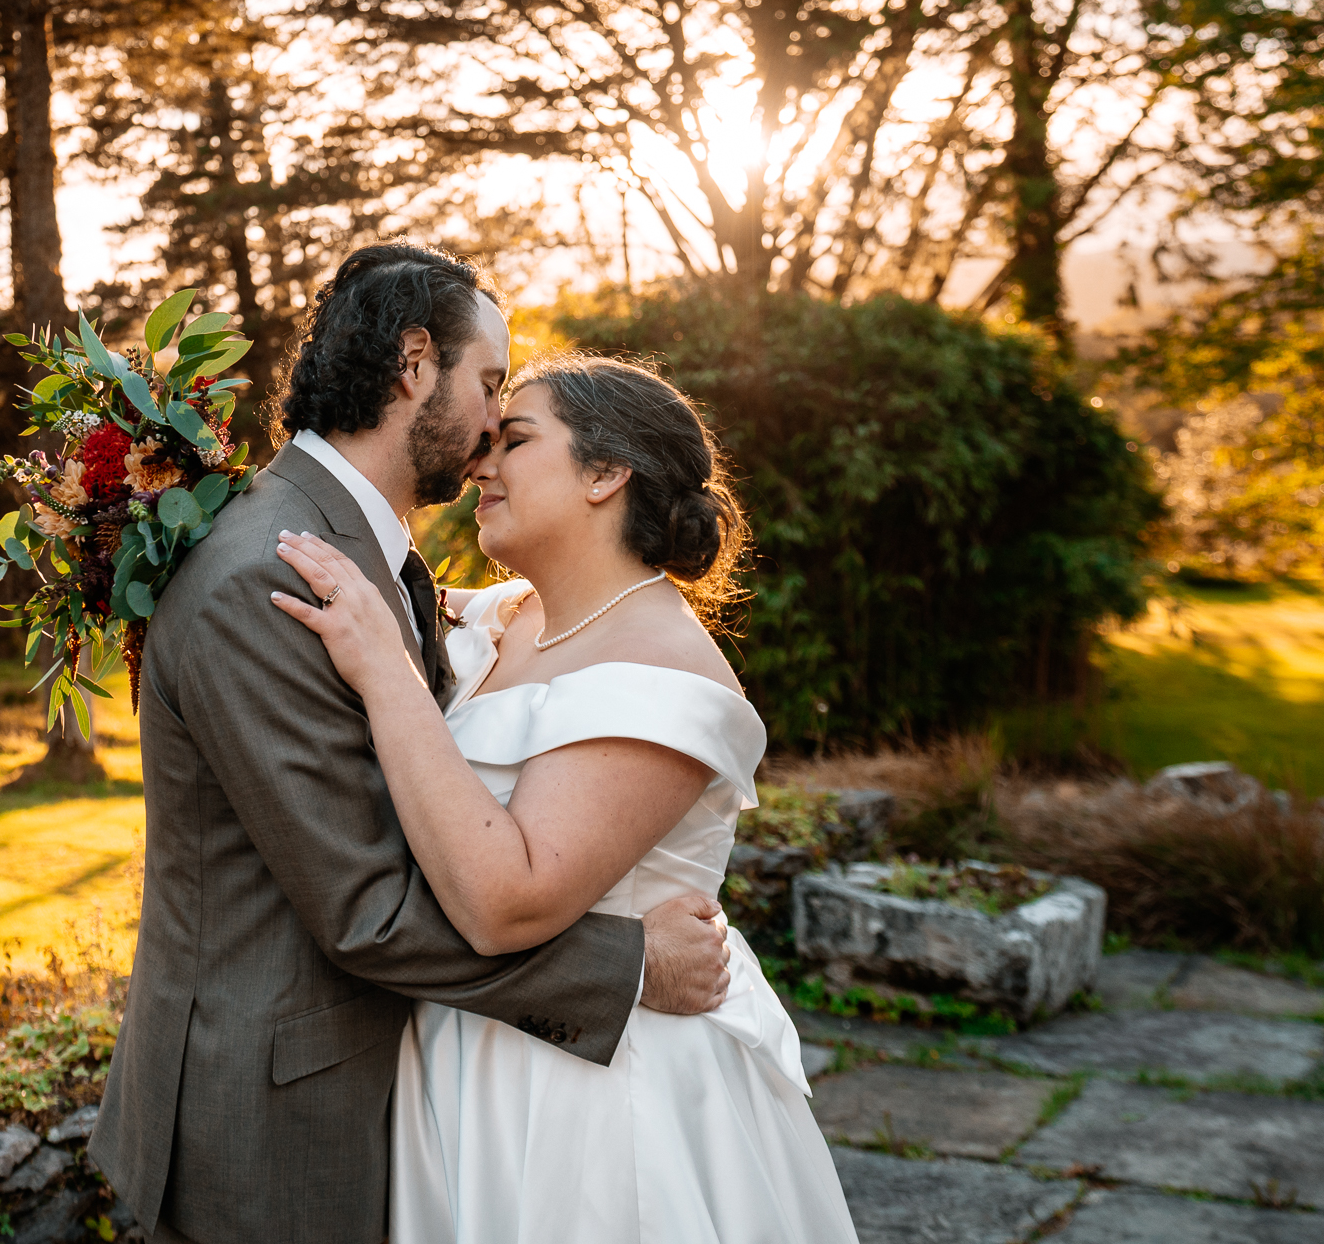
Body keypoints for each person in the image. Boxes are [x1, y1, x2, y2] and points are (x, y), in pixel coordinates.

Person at [88, 243, 735, 1244]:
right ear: (416, 365)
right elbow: (366, 909)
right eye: (488, 386)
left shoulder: (363, 555)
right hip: (268, 1118)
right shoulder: (269, 579)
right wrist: (626, 965)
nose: (490, 433)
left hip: (405, 1091)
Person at [271, 353, 860, 1243]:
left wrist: (382, 671)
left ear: (603, 472)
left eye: (515, 439)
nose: (480, 463)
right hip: (462, 1066)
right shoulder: (508, 616)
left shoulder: (665, 670)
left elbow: (507, 902)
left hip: (591, 1097)